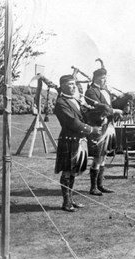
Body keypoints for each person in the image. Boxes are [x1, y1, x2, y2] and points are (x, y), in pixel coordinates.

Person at [54, 75, 102, 212]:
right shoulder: (61, 102)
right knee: (68, 171)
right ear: (62, 86)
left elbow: (84, 116)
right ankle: (66, 202)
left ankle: (71, 200)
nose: (74, 86)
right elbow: (72, 122)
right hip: (69, 139)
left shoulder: (75, 100)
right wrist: (92, 130)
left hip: (78, 140)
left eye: (74, 84)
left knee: (73, 171)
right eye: (70, 84)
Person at [85, 67, 122, 195]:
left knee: (104, 156)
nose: (105, 79)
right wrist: (115, 111)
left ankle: (100, 185)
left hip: (108, 127)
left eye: (106, 77)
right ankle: (93, 187)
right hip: (98, 128)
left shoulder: (106, 91)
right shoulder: (90, 91)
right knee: (97, 156)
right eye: (102, 78)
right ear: (96, 78)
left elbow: (109, 106)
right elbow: (100, 108)